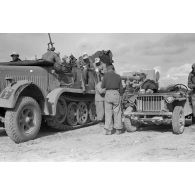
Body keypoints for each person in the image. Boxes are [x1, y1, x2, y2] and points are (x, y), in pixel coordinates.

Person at [101, 65, 123, 135]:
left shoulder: (105, 76)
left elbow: (102, 86)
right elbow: (121, 88)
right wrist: (121, 95)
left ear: (107, 69)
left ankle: (108, 130)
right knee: (117, 112)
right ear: (114, 69)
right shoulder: (118, 76)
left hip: (108, 94)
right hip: (116, 93)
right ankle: (118, 130)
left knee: (108, 113)